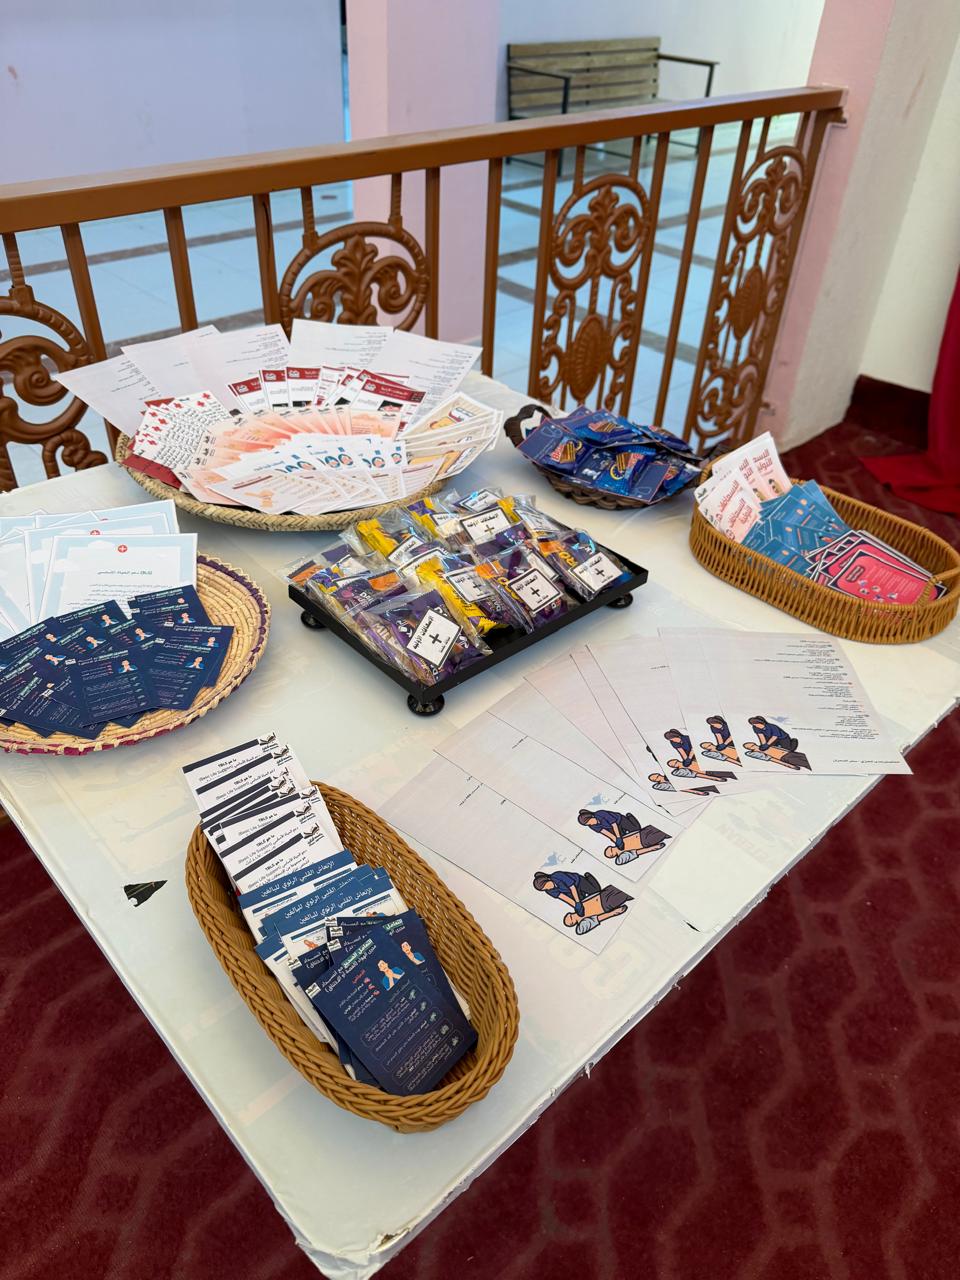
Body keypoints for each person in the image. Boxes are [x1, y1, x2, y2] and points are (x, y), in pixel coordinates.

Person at [532, 870, 631, 936]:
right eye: (544, 889)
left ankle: (588, 877)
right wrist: (576, 905)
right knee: (584, 898)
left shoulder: (557, 876)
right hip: (572, 894)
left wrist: (578, 902)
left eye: (546, 886)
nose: (548, 888)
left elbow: (572, 887)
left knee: (595, 891)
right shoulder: (550, 891)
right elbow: (564, 898)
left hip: (577, 882)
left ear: (548, 879)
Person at [576, 808, 668, 866]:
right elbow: (606, 833)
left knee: (635, 829)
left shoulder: (601, 814)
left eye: (589, 822)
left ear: (591, 816)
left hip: (618, 821)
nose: (590, 824)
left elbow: (614, 825)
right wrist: (616, 840)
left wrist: (619, 838)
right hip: (643, 840)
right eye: (587, 824)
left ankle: (630, 818)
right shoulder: (592, 826)